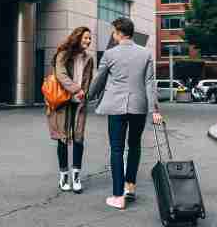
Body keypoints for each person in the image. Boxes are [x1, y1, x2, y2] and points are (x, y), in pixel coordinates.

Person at [88, 17, 163, 210]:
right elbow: (149, 83)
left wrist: (88, 96)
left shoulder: (110, 54)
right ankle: (130, 187)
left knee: (116, 149)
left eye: (113, 32)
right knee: (135, 146)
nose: (113, 35)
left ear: (119, 33)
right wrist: (153, 109)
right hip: (139, 106)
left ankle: (117, 195)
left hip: (116, 106)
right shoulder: (145, 53)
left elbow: (99, 79)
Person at [46, 27, 94, 194]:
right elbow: (61, 75)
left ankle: (76, 176)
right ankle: (63, 176)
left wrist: (84, 94)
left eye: (90, 38)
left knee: (79, 138)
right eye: (86, 38)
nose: (88, 41)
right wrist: (76, 89)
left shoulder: (89, 58)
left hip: (79, 103)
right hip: (63, 101)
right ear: (77, 37)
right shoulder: (63, 54)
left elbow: (88, 80)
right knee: (63, 138)